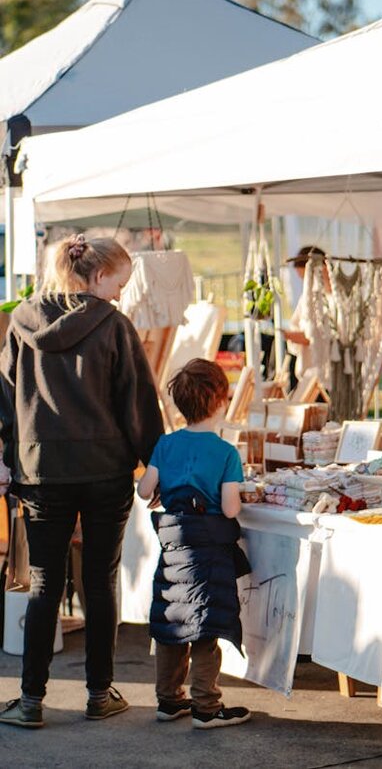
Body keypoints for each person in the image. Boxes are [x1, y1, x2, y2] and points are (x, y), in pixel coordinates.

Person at [0, 233, 164, 728]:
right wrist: (154, 462)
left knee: (45, 582)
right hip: (105, 471)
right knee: (99, 579)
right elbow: (137, 402)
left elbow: (6, 397)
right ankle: (98, 693)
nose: (121, 292)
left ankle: (30, 701)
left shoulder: (20, 322)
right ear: (95, 275)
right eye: (119, 281)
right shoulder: (114, 326)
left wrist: (11, 456)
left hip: (41, 470)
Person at [138, 358, 251, 730]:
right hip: (208, 550)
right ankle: (206, 706)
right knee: (205, 624)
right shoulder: (225, 452)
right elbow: (231, 507)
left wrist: (163, 488)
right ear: (220, 399)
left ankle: (169, 701)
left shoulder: (165, 444)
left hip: (172, 548)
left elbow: (143, 490)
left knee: (172, 621)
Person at [282, 246, 329, 387]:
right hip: (309, 372)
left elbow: (319, 335)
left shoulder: (330, 298)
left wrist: (292, 336)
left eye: (306, 278)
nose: (306, 283)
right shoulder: (307, 297)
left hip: (324, 370)